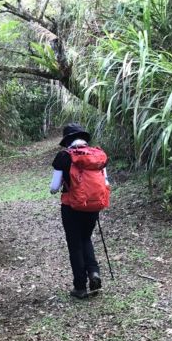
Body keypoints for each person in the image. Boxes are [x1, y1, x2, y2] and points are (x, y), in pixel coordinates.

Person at [50, 123, 109, 299]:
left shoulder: (64, 157)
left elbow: (54, 187)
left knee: (75, 245)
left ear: (67, 140)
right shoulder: (97, 155)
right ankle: (94, 273)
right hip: (93, 206)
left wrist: (60, 187)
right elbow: (105, 182)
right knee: (86, 238)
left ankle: (80, 287)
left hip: (71, 207)